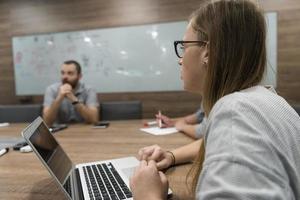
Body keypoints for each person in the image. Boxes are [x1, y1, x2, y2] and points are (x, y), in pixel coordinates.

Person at [130, 0, 300, 200]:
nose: (180, 59)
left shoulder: (235, 114)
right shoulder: (264, 100)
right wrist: (171, 156)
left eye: (183, 47)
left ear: (208, 52)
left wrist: (147, 195)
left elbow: (231, 133)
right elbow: (214, 140)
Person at [43, 60, 99, 126]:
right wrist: (59, 97)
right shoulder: (51, 89)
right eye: (63, 73)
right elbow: (46, 122)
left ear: (79, 76)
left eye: (70, 73)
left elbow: (94, 119)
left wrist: (73, 98)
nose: (65, 77)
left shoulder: (89, 90)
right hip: (59, 132)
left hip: (84, 131)